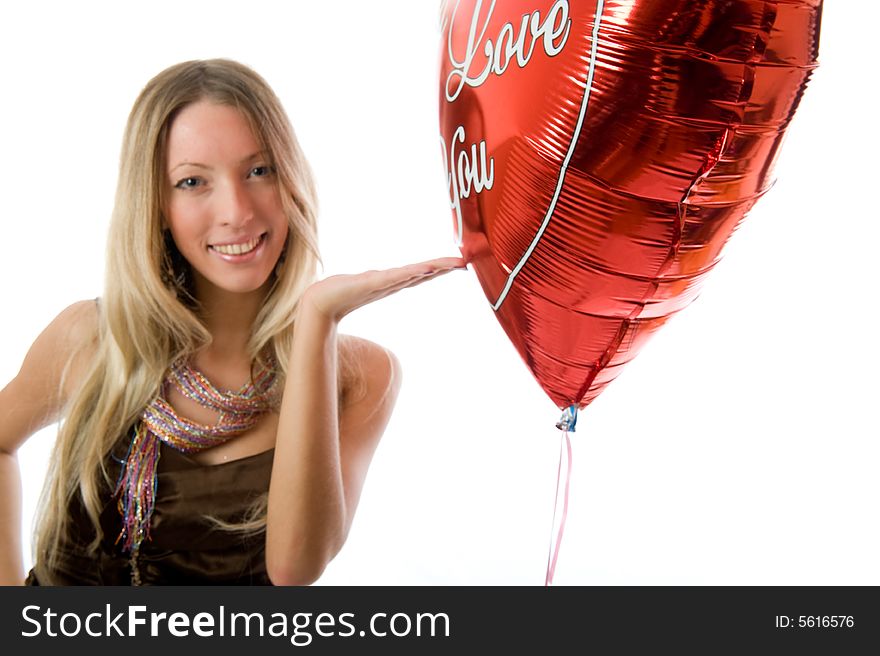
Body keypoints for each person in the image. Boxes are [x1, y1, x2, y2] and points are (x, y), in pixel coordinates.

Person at [0, 59, 464, 585]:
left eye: (259, 171)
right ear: (155, 203)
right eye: (193, 181)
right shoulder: (91, 337)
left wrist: (316, 319)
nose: (237, 210)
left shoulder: (359, 376)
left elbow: (294, 570)